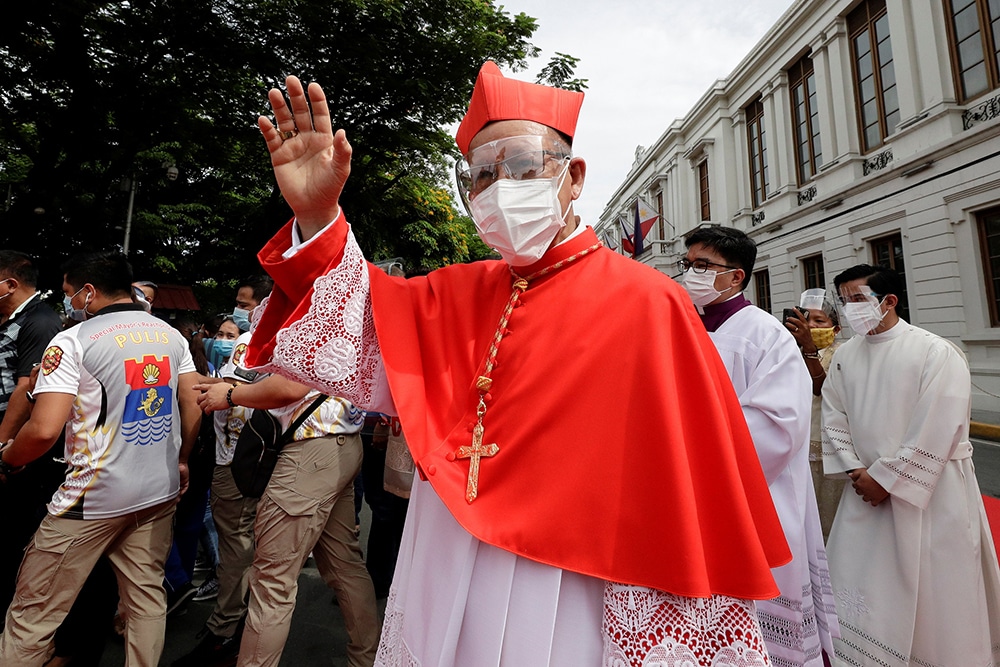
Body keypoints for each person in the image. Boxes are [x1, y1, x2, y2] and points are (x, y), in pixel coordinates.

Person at [242, 64, 792, 666]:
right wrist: (320, 218)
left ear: (573, 176)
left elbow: (681, 476)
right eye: (481, 173)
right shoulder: (451, 291)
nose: (500, 186)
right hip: (446, 546)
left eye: (524, 165)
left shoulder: (648, 300)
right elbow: (359, 334)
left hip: (573, 571)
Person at [0, 251, 201, 666]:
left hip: (91, 497)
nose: (69, 301)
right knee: (145, 599)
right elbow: (193, 405)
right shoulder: (169, 334)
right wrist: (182, 459)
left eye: (71, 293)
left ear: (89, 292)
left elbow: (43, 429)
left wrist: (7, 459)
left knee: (32, 613)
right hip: (156, 491)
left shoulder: (73, 340)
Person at [823, 264, 1000, 666]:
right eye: (843, 301)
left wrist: (886, 479)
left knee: (935, 588)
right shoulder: (846, 355)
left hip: (932, 491)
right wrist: (857, 472)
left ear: (889, 301)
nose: (849, 310)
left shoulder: (935, 351)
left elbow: (938, 425)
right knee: (867, 584)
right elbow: (834, 417)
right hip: (865, 492)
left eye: (857, 300)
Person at [680, 227, 837, 666]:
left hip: (751, 496)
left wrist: (693, 451)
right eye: (688, 264)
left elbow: (778, 424)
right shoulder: (681, 327)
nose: (691, 274)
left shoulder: (766, 335)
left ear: (736, 277)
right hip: (684, 493)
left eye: (703, 266)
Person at [195, 375, 378, 667]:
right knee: (345, 566)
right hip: (340, 443)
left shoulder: (312, 326)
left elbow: (291, 386)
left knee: (272, 582)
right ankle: (367, 659)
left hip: (310, 450)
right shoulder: (354, 327)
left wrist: (231, 394)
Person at [0, 251, 64, 616]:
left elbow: (26, 389)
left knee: (16, 533)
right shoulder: (14, 319)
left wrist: (3, 448)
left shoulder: (40, 323)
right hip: (12, 439)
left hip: (19, 443)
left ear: (11, 284)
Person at [784, 289, 845, 540]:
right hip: (795, 446)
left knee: (828, 515)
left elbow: (824, 390)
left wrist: (809, 349)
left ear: (836, 329)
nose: (810, 326)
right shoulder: (788, 351)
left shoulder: (843, 353)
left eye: (819, 322)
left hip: (827, 448)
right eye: (806, 319)